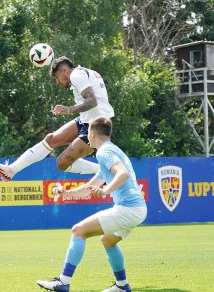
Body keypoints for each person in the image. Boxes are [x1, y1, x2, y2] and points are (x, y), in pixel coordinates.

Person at [36, 117, 147, 292]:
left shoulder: (104, 152)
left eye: (87, 131)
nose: (87, 135)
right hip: (137, 209)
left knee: (78, 231)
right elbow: (91, 187)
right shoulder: (112, 150)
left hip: (128, 209)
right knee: (108, 241)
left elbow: (123, 174)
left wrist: (106, 190)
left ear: (93, 133)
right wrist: (66, 193)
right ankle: (122, 285)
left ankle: (63, 282)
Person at [0, 56, 114, 181]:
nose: (57, 81)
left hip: (97, 128)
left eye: (56, 77)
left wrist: (69, 109)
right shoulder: (83, 72)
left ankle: (103, 171)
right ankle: (11, 170)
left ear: (65, 70)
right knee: (51, 139)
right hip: (88, 120)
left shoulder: (76, 75)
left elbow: (92, 101)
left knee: (61, 163)